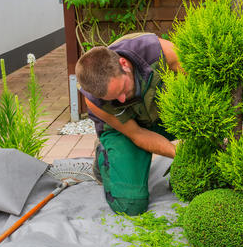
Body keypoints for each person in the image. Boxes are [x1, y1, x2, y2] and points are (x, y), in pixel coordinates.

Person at [76, 32, 181, 216]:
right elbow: (138, 135)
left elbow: (201, 91)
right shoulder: (94, 100)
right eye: (115, 98)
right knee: (130, 205)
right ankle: (105, 156)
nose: (122, 99)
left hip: (161, 114)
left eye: (123, 89)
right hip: (127, 130)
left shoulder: (161, 52)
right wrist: (179, 154)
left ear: (124, 64)